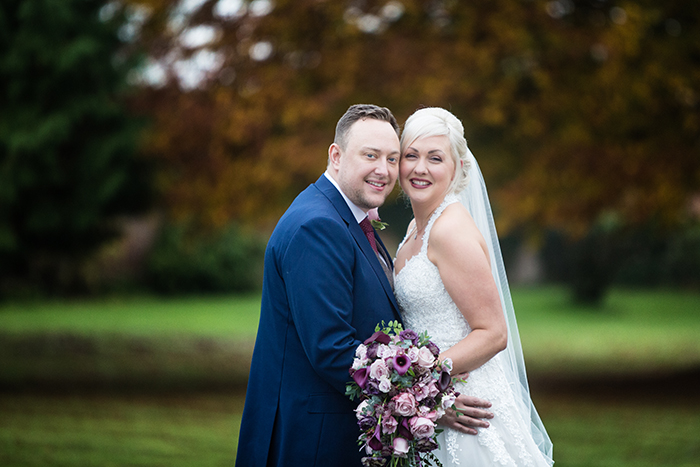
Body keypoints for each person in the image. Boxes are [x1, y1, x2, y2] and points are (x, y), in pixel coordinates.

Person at [236, 104, 492, 467]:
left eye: (391, 158)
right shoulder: (317, 226)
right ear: (336, 156)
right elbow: (332, 350)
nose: (383, 170)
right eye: (370, 155)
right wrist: (424, 401)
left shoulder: (348, 218)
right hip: (313, 440)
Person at [394, 107, 554, 466]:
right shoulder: (414, 230)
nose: (420, 168)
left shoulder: (450, 230)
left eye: (435, 158)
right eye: (411, 156)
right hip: (437, 405)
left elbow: (494, 332)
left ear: (457, 169)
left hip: (466, 407)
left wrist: (424, 386)